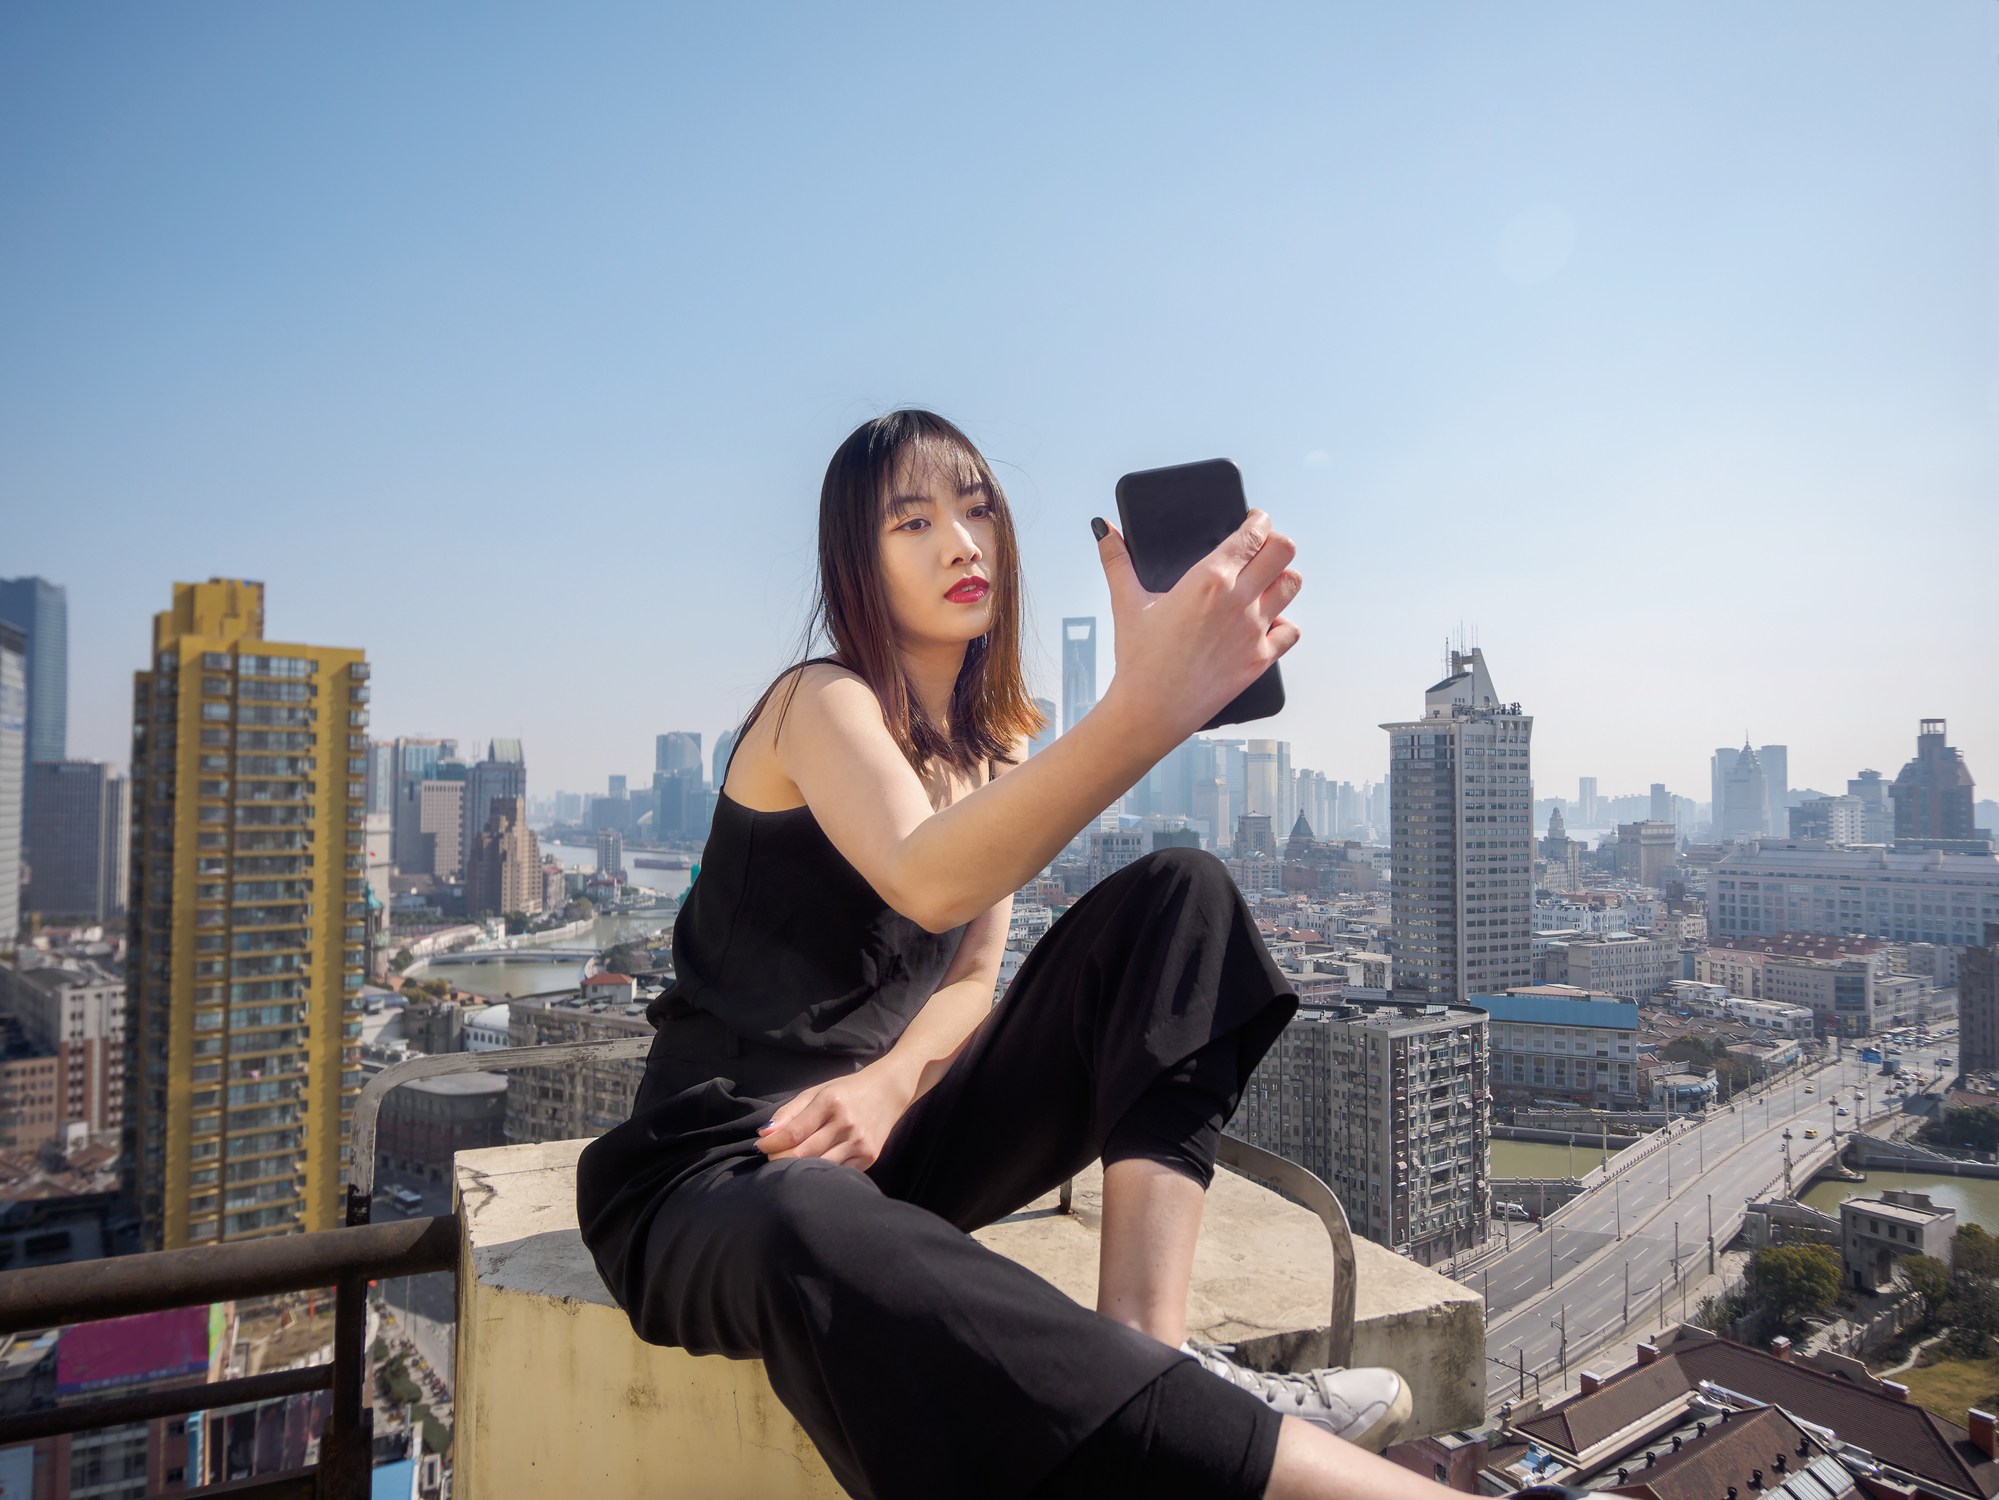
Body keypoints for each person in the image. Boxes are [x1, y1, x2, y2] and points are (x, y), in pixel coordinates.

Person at [577, 411, 1439, 1500]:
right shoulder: (817, 703)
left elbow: (974, 979)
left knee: (1183, 898)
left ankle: (1148, 1347)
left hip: (887, 1142)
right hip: (720, 1171)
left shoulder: (997, 751)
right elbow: (924, 873)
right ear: (856, 557)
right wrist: (1151, 706)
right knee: (809, 1216)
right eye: (914, 519)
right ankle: (1229, 1452)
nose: (962, 544)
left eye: (979, 510)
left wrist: (890, 1085)